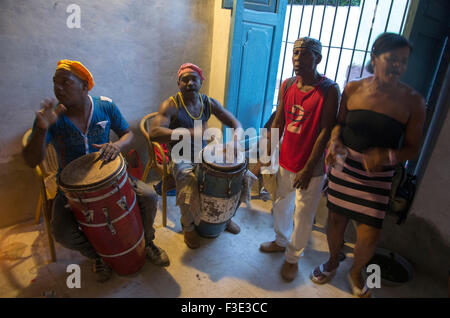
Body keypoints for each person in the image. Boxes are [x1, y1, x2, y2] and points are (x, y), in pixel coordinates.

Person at [22, 59, 170, 282]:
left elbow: (127, 134)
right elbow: (32, 160)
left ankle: (147, 242)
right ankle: (99, 256)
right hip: (71, 189)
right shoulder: (52, 118)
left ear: (84, 86)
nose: (58, 88)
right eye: (55, 83)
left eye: (65, 82)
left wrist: (117, 146)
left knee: (148, 196)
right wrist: (42, 129)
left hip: (112, 178)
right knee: (61, 232)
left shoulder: (105, 106)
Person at [310, 33, 426, 297]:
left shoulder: (413, 102)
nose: (398, 67)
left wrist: (386, 156)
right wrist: (334, 141)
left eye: (404, 62)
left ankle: (356, 271)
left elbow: (413, 147)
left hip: (378, 177)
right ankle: (331, 261)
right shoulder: (353, 88)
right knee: (336, 220)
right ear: (374, 58)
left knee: (369, 235)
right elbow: (339, 123)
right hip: (344, 169)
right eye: (392, 59)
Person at [253, 37, 340, 282]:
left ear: (318, 59)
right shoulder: (288, 84)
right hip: (286, 160)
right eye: (295, 53)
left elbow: (325, 131)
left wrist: (309, 167)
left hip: (310, 168)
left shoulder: (329, 89)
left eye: (305, 54)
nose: (297, 59)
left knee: (302, 215)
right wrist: (265, 157)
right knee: (281, 203)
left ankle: (292, 259)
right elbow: (278, 122)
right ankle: (281, 241)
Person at [149, 63, 243, 249]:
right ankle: (188, 226)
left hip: (204, 152)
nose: (190, 82)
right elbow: (154, 133)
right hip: (180, 154)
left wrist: (234, 141)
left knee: (239, 174)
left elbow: (235, 123)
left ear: (201, 82)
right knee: (187, 178)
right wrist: (190, 133)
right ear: (179, 83)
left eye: (194, 79)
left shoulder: (208, 102)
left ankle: (225, 218)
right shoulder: (171, 105)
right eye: (185, 79)